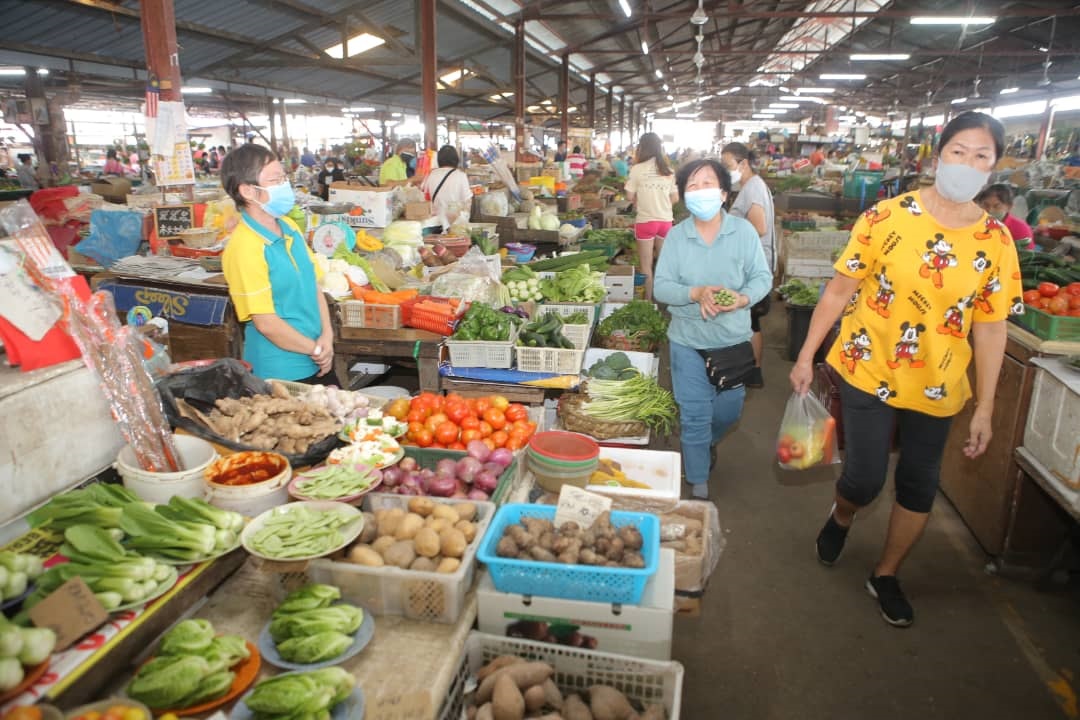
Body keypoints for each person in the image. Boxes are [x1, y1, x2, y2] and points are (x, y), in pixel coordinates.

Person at [789, 112, 1021, 628]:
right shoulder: (885, 218)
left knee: (919, 483)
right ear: (938, 155)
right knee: (866, 477)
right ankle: (843, 513)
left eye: (981, 156)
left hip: (939, 383)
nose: (968, 164)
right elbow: (839, 289)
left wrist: (985, 406)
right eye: (959, 151)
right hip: (868, 365)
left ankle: (887, 574)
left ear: (993, 167)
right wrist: (806, 354)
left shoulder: (996, 243)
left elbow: (990, 328)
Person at [654, 159, 773, 500]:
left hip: (733, 340)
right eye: (692, 185)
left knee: (728, 410)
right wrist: (694, 292)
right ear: (683, 196)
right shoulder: (677, 236)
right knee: (694, 414)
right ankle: (698, 484)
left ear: (723, 194)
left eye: (708, 184)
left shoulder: (743, 232)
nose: (700, 191)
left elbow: (762, 278)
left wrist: (742, 298)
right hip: (687, 341)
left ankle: (706, 442)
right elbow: (661, 288)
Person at [220, 144, 336, 384]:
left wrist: (327, 336)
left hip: (317, 355)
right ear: (248, 191)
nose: (285, 185)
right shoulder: (244, 247)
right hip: (281, 371)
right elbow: (266, 324)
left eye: (284, 177)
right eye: (275, 180)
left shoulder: (290, 228)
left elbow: (313, 286)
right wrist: (315, 350)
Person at [722, 142, 776, 388]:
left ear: (743, 164)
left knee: (751, 321)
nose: (725, 171)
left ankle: (753, 371)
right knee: (749, 320)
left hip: (753, 267)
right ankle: (751, 370)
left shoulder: (753, 188)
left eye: (728, 166)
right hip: (748, 264)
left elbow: (759, 227)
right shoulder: (749, 187)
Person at [625, 132, 678, 301]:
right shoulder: (668, 170)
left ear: (642, 148)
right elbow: (675, 198)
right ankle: (665, 298)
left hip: (645, 222)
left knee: (646, 266)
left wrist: (642, 199)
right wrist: (661, 205)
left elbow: (629, 196)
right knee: (663, 265)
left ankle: (648, 302)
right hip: (665, 223)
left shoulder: (637, 169)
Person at [421, 145, 473, 225]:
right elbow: (468, 202)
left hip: (435, 222)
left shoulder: (430, 174)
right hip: (455, 223)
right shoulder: (461, 175)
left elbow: (424, 196)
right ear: (456, 159)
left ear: (439, 159)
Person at [977, 184, 1034, 250]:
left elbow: (1026, 255)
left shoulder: (1021, 229)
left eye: (997, 206)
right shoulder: (974, 223)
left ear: (1009, 207)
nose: (990, 210)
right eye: (986, 205)